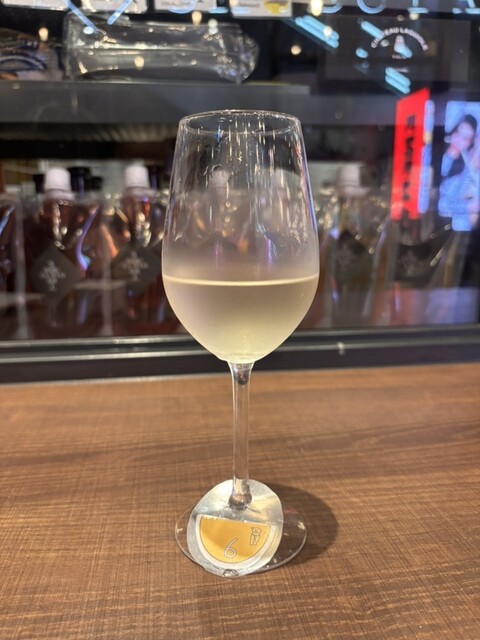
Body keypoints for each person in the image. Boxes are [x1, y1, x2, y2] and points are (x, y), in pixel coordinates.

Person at [439, 114, 480, 231]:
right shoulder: (438, 151)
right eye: (458, 133)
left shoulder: (465, 167)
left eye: (466, 138)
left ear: (470, 142)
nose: (459, 141)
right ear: (453, 131)